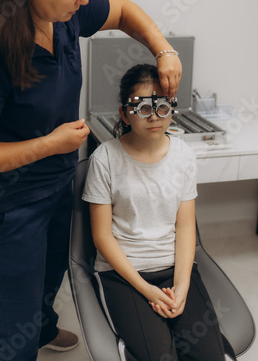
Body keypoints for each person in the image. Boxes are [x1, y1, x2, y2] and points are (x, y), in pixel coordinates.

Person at [0, 0, 182, 361]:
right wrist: (51, 144)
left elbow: (125, 10)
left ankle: (43, 327)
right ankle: (23, 340)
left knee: (51, 275)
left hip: (57, 185)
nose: (83, 1)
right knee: (14, 310)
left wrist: (163, 49)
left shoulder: (65, 13)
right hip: (6, 203)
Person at [82, 64, 226, 361]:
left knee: (210, 356)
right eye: (143, 108)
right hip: (124, 276)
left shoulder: (183, 155)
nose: (154, 117)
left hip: (173, 270)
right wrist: (147, 290)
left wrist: (183, 286)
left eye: (162, 107)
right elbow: (102, 236)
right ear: (124, 113)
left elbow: (186, 229)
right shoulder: (105, 159)